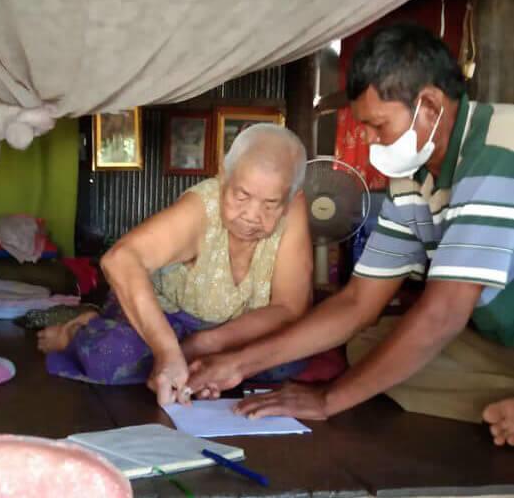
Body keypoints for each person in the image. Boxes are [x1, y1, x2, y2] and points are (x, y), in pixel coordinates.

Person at [187, 23, 514, 447]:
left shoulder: (496, 150)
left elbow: (443, 314)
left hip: (481, 338)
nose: (372, 142)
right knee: (369, 347)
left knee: (406, 349)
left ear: (429, 105)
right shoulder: (412, 180)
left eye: (379, 126)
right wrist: (237, 365)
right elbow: (360, 301)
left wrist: (327, 401)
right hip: (500, 347)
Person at [38, 123, 313, 405]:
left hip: (233, 329)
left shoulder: (292, 206)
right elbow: (119, 260)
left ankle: (198, 365)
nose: (252, 215)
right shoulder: (201, 208)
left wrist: (206, 345)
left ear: (290, 197)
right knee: (112, 357)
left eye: (270, 205)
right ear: (224, 175)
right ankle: (78, 330)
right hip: (166, 316)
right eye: (241, 196)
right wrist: (168, 352)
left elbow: (289, 307)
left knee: (289, 361)